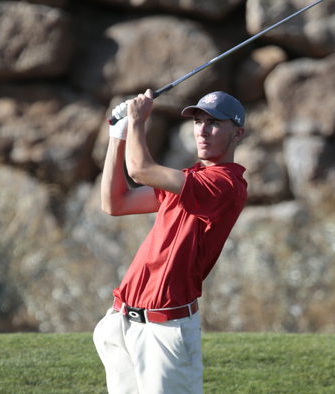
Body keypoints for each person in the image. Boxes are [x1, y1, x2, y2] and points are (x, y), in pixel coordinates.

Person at [94, 89, 247, 394]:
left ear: (237, 134)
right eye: (198, 121)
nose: (202, 130)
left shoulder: (225, 184)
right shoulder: (189, 179)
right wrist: (118, 133)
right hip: (123, 321)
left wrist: (138, 120)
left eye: (215, 123)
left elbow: (139, 170)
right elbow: (116, 203)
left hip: (165, 331)